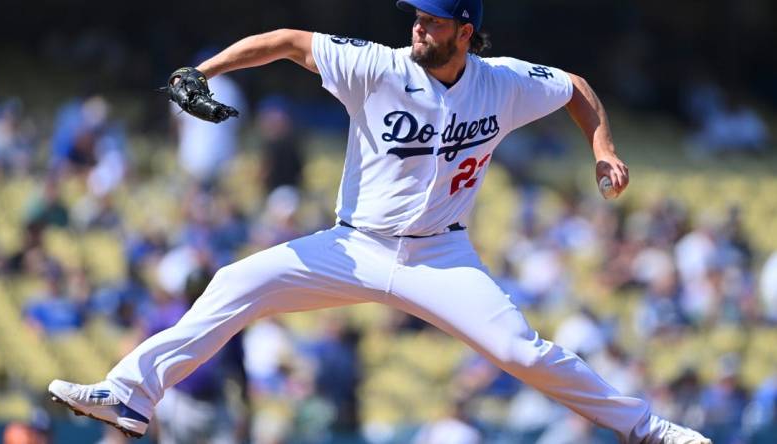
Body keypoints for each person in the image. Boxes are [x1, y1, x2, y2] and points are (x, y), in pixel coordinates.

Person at [48, 1, 710, 443]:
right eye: (418, 15)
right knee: (234, 282)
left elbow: (574, 87)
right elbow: (283, 42)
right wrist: (205, 69)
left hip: (441, 259)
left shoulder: (502, 82)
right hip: (353, 245)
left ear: (465, 31)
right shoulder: (376, 64)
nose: (420, 26)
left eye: (434, 19)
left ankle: (650, 430)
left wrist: (603, 149)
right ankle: (130, 394)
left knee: (521, 353)